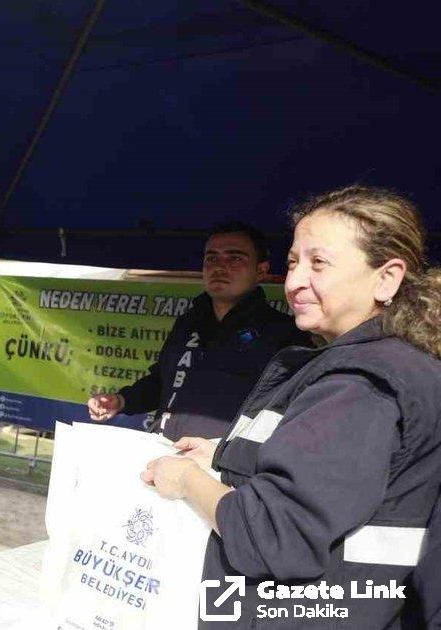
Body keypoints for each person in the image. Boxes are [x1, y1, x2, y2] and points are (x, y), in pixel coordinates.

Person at [143, 186, 441, 628]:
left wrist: (186, 480)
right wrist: (228, 456)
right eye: (293, 262)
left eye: (318, 263)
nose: (296, 280)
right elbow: (330, 478)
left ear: (387, 278)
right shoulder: (384, 365)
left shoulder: (362, 383)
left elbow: (273, 535)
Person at [87, 222, 310, 440]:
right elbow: (162, 382)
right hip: (162, 454)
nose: (220, 267)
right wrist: (122, 400)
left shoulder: (284, 334)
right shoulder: (188, 322)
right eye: (211, 258)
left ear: (261, 270)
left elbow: (290, 415)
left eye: (235, 258)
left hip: (220, 471)